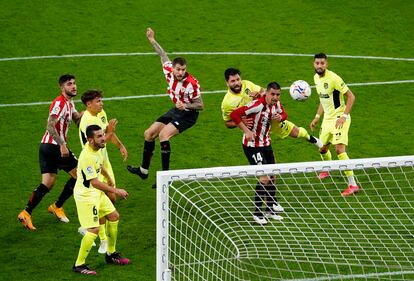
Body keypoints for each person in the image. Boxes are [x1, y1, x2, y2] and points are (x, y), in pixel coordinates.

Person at [127, 27, 204, 188]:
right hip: (176, 111)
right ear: (173, 68)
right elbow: (162, 55)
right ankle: (143, 170)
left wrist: (186, 105)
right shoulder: (168, 71)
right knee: (148, 134)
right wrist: (152, 40)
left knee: (163, 135)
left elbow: (200, 105)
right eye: (178, 69)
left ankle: (165, 177)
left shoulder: (192, 84)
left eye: (183, 69)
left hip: (189, 115)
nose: (181, 72)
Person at [18, 74, 82, 231]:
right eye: (69, 84)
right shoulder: (59, 103)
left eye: (74, 83)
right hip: (54, 146)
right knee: (81, 174)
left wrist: (91, 116)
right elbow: (50, 125)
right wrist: (62, 145)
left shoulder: (70, 102)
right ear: (62, 88)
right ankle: (57, 206)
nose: (73, 86)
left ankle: (26, 212)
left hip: (45, 146)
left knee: (48, 183)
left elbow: (77, 119)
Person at [73, 125, 129, 275]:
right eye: (99, 136)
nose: (104, 138)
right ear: (90, 140)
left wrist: (109, 178)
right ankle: (79, 264)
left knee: (114, 216)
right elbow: (95, 182)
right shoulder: (87, 156)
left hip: (96, 193)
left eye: (103, 134)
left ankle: (111, 254)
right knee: (94, 229)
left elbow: (100, 165)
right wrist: (116, 190)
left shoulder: (97, 149)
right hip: (86, 196)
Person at [77, 89, 128, 254]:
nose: (101, 104)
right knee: (106, 198)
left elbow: (106, 132)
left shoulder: (101, 112)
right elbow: (99, 139)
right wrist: (110, 132)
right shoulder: (87, 122)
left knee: (110, 200)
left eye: (101, 100)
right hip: (93, 162)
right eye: (98, 101)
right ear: (88, 104)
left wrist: (119, 145)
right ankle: (102, 239)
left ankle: (92, 229)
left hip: (103, 161)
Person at [221, 68, 322, 148]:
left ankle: (310, 138)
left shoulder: (247, 84)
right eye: (233, 81)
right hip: (255, 130)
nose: (237, 83)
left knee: (296, 133)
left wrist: (260, 94)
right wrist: (240, 122)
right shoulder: (226, 103)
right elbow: (227, 123)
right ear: (227, 83)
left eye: (238, 79)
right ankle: (271, 174)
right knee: (267, 157)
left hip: (269, 118)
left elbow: (264, 92)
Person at [230, 82, 285, 225]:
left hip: (266, 143)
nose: (275, 97)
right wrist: (246, 130)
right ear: (266, 93)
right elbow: (234, 114)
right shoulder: (257, 105)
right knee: (264, 178)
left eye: (278, 94)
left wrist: (281, 118)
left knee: (273, 176)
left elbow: (283, 113)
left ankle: (270, 209)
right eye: (272, 94)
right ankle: (257, 213)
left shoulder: (275, 104)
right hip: (252, 146)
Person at [310, 52, 359, 196]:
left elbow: (351, 97)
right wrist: (317, 116)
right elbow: (323, 99)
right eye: (317, 63)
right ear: (314, 64)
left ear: (327, 64)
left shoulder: (334, 78)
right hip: (327, 120)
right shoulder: (316, 78)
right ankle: (327, 169)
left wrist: (344, 116)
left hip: (339, 118)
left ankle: (353, 185)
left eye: (322, 63)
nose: (319, 66)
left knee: (339, 149)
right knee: (322, 149)